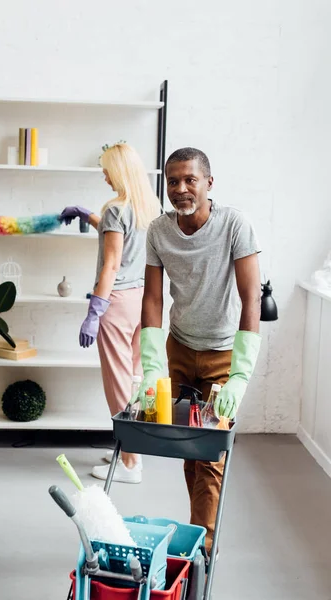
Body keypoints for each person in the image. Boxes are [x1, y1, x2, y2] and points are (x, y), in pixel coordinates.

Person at [139, 147, 261, 553]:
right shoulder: (158, 231)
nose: (181, 188)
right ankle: (198, 531)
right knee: (189, 450)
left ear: (209, 182)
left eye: (190, 179)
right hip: (178, 346)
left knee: (209, 454)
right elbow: (153, 300)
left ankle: (200, 550)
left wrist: (240, 374)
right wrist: (152, 368)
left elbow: (251, 298)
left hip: (224, 352)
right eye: (173, 181)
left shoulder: (234, 225)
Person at [60, 143, 161, 484]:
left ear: (119, 170)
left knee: (117, 382)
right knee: (132, 378)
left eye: (106, 169)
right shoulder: (149, 207)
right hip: (140, 299)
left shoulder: (117, 209)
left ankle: (131, 462)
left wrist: (94, 310)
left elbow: (112, 262)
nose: (103, 174)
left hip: (116, 302)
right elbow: (123, 241)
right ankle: (129, 446)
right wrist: (88, 215)